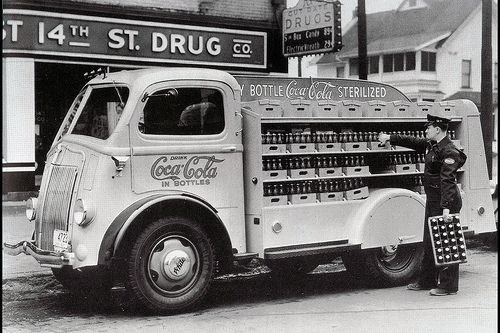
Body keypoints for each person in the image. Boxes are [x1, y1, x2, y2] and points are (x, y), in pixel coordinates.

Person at [378, 114, 467, 296]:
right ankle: (427, 281)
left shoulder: (449, 151)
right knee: (429, 240)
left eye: (429, 127)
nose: (425, 130)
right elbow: (412, 141)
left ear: (437, 129)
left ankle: (449, 286)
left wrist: (447, 208)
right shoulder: (432, 145)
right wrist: (390, 138)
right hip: (434, 200)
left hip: (445, 202)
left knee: (447, 242)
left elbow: (448, 181)